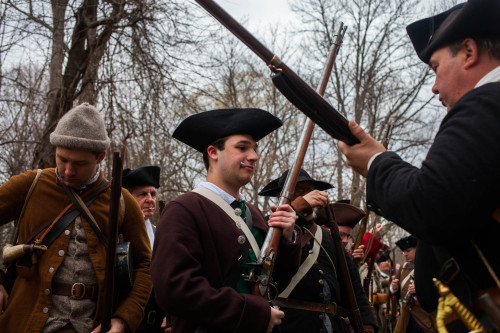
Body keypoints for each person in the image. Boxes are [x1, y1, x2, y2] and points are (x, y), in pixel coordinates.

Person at [338, 0, 500, 330]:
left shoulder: (486, 103)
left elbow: (435, 204)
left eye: (437, 67)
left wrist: (376, 163)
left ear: (468, 52)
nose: (435, 86)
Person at [0, 103, 152, 332]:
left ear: (100, 156)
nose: (68, 171)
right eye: (62, 159)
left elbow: (146, 264)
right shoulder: (31, 185)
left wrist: (123, 319)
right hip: (26, 322)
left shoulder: (122, 201)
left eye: (79, 164)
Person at [151, 108, 301, 333]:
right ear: (213, 152)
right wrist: (253, 313)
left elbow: (273, 283)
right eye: (242, 148)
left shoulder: (253, 214)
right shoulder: (183, 210)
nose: (254, 156)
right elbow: (175, 289)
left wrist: (287, 237)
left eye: (254, 149)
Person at [258, 169, 377, 333]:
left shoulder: (329, 236)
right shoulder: (269, 228)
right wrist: (299, 206)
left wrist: (366, 324)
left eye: (309, 190)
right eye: (299, 191)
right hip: (290, 325)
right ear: (282, 196)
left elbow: (353, 284)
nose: (307, 195)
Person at [122, 165, 166, 333]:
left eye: (153, 194)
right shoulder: (118, 232)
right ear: (128, 197)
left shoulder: (158, 232)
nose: (150, 199)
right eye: (142, 194)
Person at [391, 236, 435, 333]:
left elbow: (437, 289)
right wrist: (394, 288)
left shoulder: (429, 266)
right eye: (404, 251)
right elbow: (397, 293)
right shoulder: (403, 268)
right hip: (407, 318)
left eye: (408, 250)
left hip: (425, 317)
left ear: (417, 249)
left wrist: (420, 289)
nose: (405, 254)